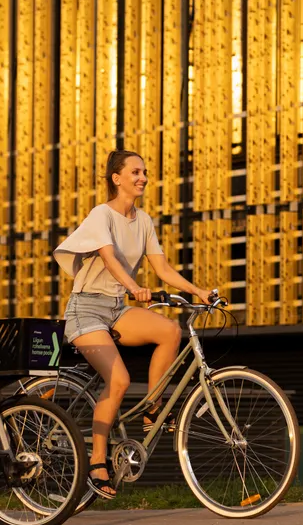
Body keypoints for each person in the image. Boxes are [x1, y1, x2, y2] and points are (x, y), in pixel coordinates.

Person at [53, 150, 217, 498]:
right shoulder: (102, 214)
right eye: (135, 172)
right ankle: (97, 463)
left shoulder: (143, 221)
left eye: (145, 172)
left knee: (170, 331)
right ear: (117, 178)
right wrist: (134, 288)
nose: (142, 177)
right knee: (120, 379)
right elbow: (110, 258)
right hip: (85, 310)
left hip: (116, 308)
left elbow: (163, 269)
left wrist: (198, 291)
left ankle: (152, 409)